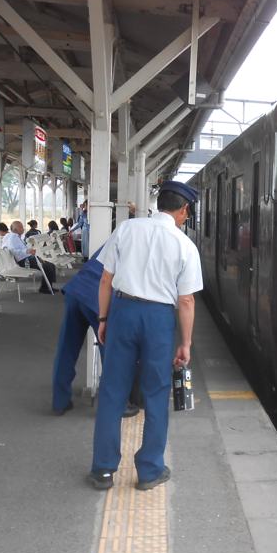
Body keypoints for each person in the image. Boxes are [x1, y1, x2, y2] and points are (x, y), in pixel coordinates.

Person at [88, 181, 202, 491]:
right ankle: (150, 470)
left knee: (113, 390)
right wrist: (186, 343)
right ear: (183, 210)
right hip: (158, 319)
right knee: (155, 392)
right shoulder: (185, 245)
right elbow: (187, 301)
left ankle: (103, 470)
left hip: (123, 311)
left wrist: (103, 318)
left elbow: (106, 279)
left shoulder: (127, 229)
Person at [50, 245, 142, 418]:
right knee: (112, 354)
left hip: (76, 291)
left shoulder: (115, 240)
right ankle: (117, 405)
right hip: (97, 298)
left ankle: (59, 402)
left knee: (66, 348)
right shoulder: (139, 247)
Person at [0, 221, 57, 294]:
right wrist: (27, 251)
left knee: (50, 265)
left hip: (27, 258)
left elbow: (20, 248)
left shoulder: (15, 237)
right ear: (15, 229)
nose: (23, 229)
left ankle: (49, 286)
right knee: (47, 266)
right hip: (24, 260)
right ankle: (45, 288)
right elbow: (12, 250)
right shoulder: (12, 237)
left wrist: (29, 250)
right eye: (21, 227)